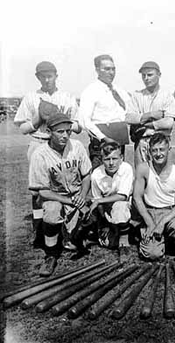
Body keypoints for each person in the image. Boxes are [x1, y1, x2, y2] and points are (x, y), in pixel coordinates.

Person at [14, 61, 81, 248]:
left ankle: (66, 232)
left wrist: (59, 117)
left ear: (56, 75)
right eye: (42, 76)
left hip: (61, 144)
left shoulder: (66, 97)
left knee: (64, 186)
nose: (46, 79)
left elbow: (78, 126)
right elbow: (22, 128)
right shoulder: (31, 97)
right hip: (39, 141)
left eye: (50, 75)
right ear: (37, 77)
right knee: (38, 190)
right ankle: (40, 229)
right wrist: (38, 117)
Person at [28, 113, 92, 276]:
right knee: (52, 212)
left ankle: (72, 236)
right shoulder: (40, 154)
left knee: (90, 219)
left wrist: (82, 196)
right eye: (60, 131)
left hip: (76, 193)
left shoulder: (76, 146)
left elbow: (86, 175)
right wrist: (68, 201)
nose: (65, 135)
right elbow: (42, 191)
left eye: (68, 131)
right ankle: (51, 255)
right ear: (49, 132)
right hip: (54, 196)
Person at [133, 133, 175, 260]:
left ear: (169, 150)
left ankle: (171, 238)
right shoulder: (143, 169)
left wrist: (162, 223)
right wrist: (149, 222)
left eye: (162, 149)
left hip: (171, 213)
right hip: (151, 212)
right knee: (152, 254)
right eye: (154, 150)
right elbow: (137, 197)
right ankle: (151, 237)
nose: (158, 154)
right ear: (149, 152)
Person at [79, 54, 130, 169]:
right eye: (106, 69)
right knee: (101, 179)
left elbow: (128, 113)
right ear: (97, 70)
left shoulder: (120, 91)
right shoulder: (90, 91)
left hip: (119, 143)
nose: (111, 72)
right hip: (100, 145)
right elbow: (84, 121)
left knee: (119, 178)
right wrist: (104, 138)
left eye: (113, 69)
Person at [126, 61, 175, 166]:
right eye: (143, 75)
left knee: (162, 178)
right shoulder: (137, 95)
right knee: (142, 176)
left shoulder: (167, 96)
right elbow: (129, 118)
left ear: (159, 75)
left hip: (161, 142)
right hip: (142, 141)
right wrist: (151, 115)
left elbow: (168, 123)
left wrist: (144, 122)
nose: (146, 78)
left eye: (150, 75)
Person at [89, 141, 134, 251]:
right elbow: (96, 200)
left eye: (114, 159)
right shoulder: (96, 174)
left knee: (120, 207)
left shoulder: (126, 168)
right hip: (106, 207)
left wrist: (99, 201)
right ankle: (110, 227)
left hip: (124, 205)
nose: (111, 163)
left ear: (121, 158)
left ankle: (124, 238)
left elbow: (123, 196)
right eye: (107, 159)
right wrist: (104, 222)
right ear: (101, 159)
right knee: (108, 244)